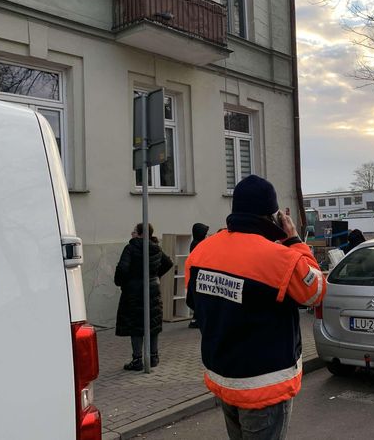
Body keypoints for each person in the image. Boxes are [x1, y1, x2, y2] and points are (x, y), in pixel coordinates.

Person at [185, 175, 326, 439]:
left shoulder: (201, 253)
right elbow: (315, 292)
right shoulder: (282, 259)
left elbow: (196, 304)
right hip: (264, 385)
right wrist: (295, 239)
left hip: (224, 378)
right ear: (272, 217)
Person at [114, 222, 174, 371]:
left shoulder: (131, 247)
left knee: (136, 325)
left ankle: (137, 360)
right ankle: (154, 357)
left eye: (134, 231)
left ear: (141, 233)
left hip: (134, 291)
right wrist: (154, 276)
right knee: (152, 322)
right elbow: (168, 263)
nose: (132, 234)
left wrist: (121, 282)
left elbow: (122, 268)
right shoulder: (155, 247)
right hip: (153, 289)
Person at [188, 223, 209, 328]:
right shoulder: (198, 244)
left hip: (196, 274)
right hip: (198, 275)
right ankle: (196, 319)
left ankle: (196, 319)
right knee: (198, 298)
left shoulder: (195, 243)